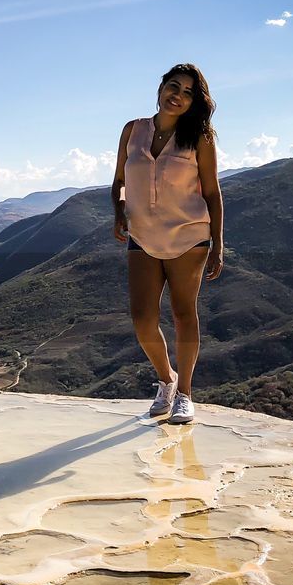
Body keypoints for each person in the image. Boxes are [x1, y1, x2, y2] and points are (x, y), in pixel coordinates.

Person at [110, 63, 224, 424]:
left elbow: (212, 193)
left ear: (195, 102)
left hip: (190, 235)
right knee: (143, 319)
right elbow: (119, 181)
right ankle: (166, 380)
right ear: (160, 89)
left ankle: (186, 395)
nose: (178, 95)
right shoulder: (133, 130)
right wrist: (118, 212)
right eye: (174, 86)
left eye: (189, 92)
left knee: (182, 313)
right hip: (141, 235)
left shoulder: (200, 138)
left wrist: (218, 243)